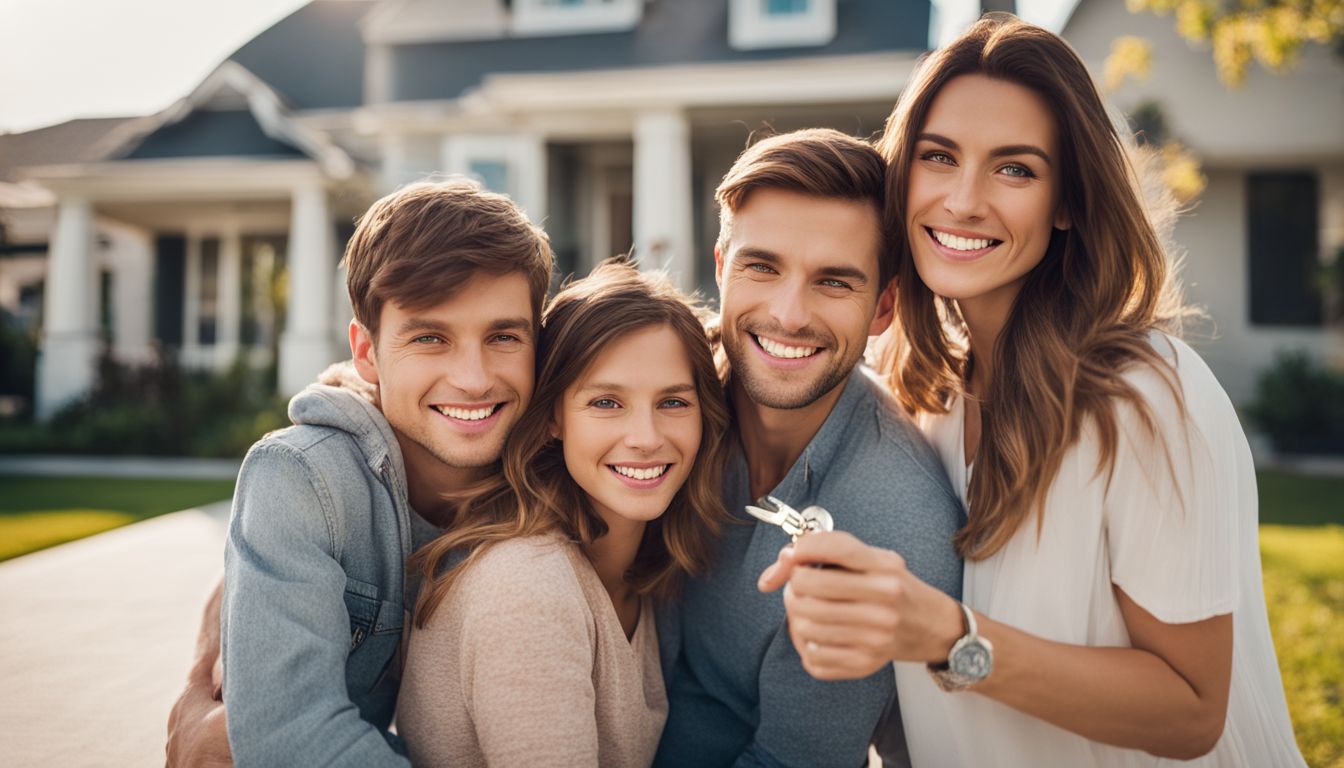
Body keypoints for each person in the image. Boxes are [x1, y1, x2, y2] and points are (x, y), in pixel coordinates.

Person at [759, 16, 1305, 767]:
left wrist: (951, 638)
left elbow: (1191, 711)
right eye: (939, 157)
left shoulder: (1145, 398)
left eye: (1014, 169)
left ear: (1069, 202)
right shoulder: (920, 395)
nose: (963, 200)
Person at [169, 178, 554, 767]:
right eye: (430, 338)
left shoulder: (573, 477)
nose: (474, 379)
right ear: (367, 353)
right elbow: (293, 740)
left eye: (503, 336)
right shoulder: (300, 480)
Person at [654, 129, 965, 767]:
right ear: (721, 267)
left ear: (883, 307)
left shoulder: (891, 528)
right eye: (761, 267)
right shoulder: (654, 396)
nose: (788, 314)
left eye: (833, 282)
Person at [395, 260, 730, 767]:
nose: (646, 437)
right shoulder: (528, 588)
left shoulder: (644, 573)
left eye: (673, 403)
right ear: (553, 417)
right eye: (606, 403)